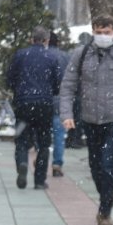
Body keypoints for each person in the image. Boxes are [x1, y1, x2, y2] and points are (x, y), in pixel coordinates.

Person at [59, 14, 113, 225]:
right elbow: (68, 86)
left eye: (107, 32)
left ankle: (104, 213)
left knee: (108, 164)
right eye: (98, 32)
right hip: (90, 118)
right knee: (95, 166)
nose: (103, 36)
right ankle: (108, 194)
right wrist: (66, 114)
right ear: (93, 32)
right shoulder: (82, 53)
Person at [6, 27, 62, 190]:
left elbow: (10, 78)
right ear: (46, 41)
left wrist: (18, 90)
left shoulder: (20, 55)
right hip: (44, 104)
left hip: (24, 103)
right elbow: (57, 83)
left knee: (22, 139)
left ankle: (22, 163)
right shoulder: (51, 57)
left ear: (31, 39)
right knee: (44, 143)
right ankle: (39, 180)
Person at [47, 31, 70, 178]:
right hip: (60, 100)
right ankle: (57, 163)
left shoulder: (41, 56)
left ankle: (41, 157)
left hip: (42, 99)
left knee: (41, 132)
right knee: (59, 135)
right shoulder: (65, 57)